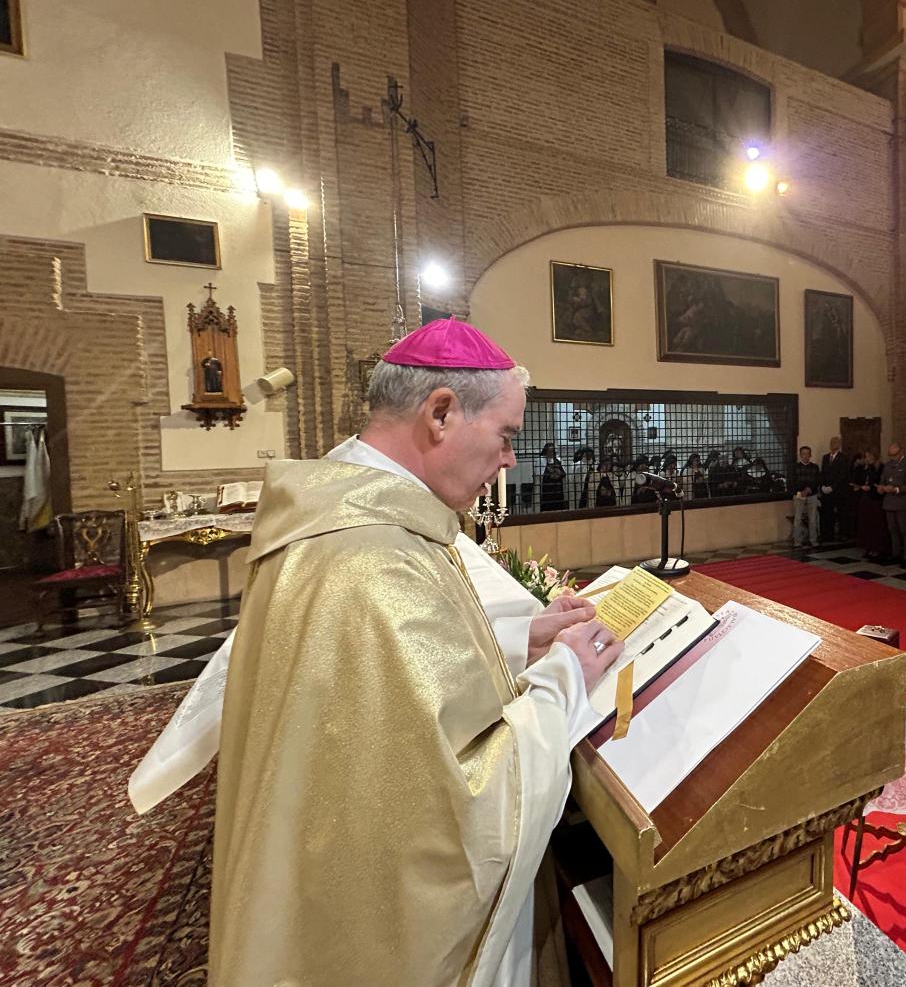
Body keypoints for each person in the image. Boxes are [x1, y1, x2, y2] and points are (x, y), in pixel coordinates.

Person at [210, 318, 624, 986]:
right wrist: (566, 679)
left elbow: (420, 681)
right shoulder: (370, 561)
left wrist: (523, 638)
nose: (511, 460)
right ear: (440, 413)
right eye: (507, 436)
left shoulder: (356, 518)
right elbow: (457, 807)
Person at [877, 443, 906, 566]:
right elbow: (882, 480)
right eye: (890, 455)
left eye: (894, 455)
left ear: (900, 453)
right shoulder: (888, 465)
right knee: (892, 530)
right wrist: (881, 488)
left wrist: (896, 489)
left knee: (904, 530)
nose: (892, 457)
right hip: (889, 502)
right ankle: (896, 554)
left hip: (902, 502)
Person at [852, 449, 888, 562]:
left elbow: (880, 482)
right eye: (866, 456)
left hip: (876, 499)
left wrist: (871, 487)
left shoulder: (881, 468)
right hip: (865, 498)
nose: (868, 458)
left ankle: (877, 548)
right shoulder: (864, 468)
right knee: (866, 523)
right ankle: (868, 547)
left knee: (876, 524)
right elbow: (859, 478)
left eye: (870, 456)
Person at [817, 436, 852, 543]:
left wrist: (833, 487)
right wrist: (822, 486)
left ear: (840, 444)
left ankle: (843, 534)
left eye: (836, 442)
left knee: (842, 513)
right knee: (827, 513)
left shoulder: (844, 458)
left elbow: (843, 475)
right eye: (832, 442)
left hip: (839, 491)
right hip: (826, 491)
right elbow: (823, 473)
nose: (833, 444)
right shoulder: (825, 457)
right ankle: (827, 535)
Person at [792, 445, 821, 549]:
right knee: (798, 518)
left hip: (812, 495)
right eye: (803, 454)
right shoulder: (795, 467)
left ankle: (813, 540)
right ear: (800, 455)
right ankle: (797, 541)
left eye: (807, 454)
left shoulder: (815, 467)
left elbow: (817, 480)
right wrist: (801, 490)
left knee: (813, 518)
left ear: (810, 455)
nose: (805, 456)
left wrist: (809, 489)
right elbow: (793, 481)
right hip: (799, 495)